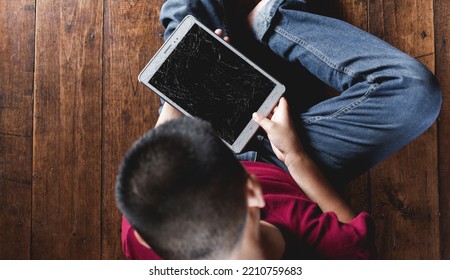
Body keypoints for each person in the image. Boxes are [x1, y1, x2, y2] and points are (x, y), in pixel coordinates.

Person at [115, 0, 442, 260]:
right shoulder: (332, 254)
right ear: (253, 191)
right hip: (286, 161)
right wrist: (295, 155)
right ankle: (273, 19)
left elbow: (159, 153)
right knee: (415, 95)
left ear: (144, 235)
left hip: (205, 135)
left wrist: (181, 94)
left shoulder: (146, 228)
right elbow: (346, 226)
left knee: (186, 35)